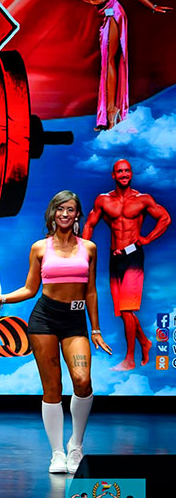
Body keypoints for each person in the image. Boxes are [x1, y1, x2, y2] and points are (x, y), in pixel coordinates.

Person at [0, 191, 111, 474]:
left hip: (75, 321)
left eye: (70, 209)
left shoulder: (89, 248)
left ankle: (76, 445)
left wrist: (96, 328)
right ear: (53, 213)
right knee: (52, 388)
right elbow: (30, 289)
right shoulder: (40, 248)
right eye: (60, 209)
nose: (65, 214)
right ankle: (57, 454)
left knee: (82, 380)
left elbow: (90, 291)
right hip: (45, 320)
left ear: (78, 215)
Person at [83, 159, 170, 371]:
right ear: (113, 175)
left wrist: (148, 238)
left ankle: (130, 359)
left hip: (133, 256)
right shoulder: (103, 200)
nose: (124, 174)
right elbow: (89, 224)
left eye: (127, 171)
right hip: (115, 257)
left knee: (127, 308)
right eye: (120, 171)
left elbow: (165, 218)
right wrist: (82, 253)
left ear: (131, 174)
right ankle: (145, 342)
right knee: (123, 311)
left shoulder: (143, 199)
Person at [68, 0, 171, 130]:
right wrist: (91, 1)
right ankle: (107, 113)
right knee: (106, 61)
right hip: (101, 14)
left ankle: (111, 111)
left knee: (108, 60)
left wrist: (152, 6)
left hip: (113, 12)